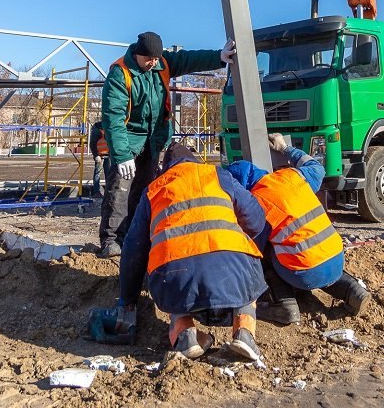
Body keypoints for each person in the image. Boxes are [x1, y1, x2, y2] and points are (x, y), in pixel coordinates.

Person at [115, 141, 267, 361]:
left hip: (174, 274)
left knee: (171, 277)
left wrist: (127, 300)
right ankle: (244, 332)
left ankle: (185, 335)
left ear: (165, 168)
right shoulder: (217, 175)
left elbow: (133, 250)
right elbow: (255, 219)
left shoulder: (155, 188)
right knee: (248, 276)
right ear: (195, 161)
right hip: (232, 264)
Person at [97, 31, 235, 259]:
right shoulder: (120, 74)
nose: (153, 63)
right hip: (128, 140)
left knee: (144, 191)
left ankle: (136, 236)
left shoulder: (162, 63)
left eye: (156, 59)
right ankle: (112, 240)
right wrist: (122, 155)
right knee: (119, 190)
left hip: (152, 140)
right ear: (138, 55)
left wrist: (219, 57)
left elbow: (190, 59)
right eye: (149, 59)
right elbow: (113, 117)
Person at [227, 133, 371, 325]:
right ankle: (353, 291)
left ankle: (284, 306)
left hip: (304, 273)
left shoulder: (256, 204)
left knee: (262, 254)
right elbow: (317, 168)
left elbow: (253, 252)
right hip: (337, 257)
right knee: (315, 255)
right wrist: (285, 149)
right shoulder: (290, 176)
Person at [88, 122, 108, 197]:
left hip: (108, 154)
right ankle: (96, 191)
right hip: (100, 155)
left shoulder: (109, 127)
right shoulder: (98, 129)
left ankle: (108, 191)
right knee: (97, 173)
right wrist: (96, 155)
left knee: (108, 174)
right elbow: (92, 143)